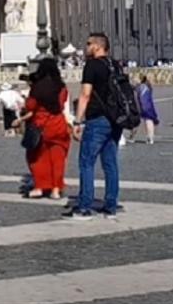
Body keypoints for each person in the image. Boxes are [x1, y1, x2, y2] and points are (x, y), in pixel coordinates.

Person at [65, 32, 123, 220]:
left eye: (89, 43)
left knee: (86, 163)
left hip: (97, 119)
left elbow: (85, 95)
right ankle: (111, 207)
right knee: (110, 164)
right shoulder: (115, 65)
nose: (86, 46)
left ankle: (84, 207)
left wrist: (78, 120)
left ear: (97, 46)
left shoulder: (92, 65)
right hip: (115, 120)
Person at [15, 58, 70, 199]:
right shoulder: (61, 87)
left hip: (41, 126)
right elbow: (62, 104)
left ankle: (40, 187)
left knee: (37, 158)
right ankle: (56, 189)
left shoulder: (38, 88)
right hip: (58, 125)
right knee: (58, 159)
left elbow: (30, 106)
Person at [135, 75, 159, 144]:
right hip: (149, 106)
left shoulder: (141, 87)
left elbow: (139, 97)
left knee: (140, 121)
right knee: (149, 120)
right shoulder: (147, 87)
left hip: (143, 106)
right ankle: (150, 137)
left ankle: (132, 137)